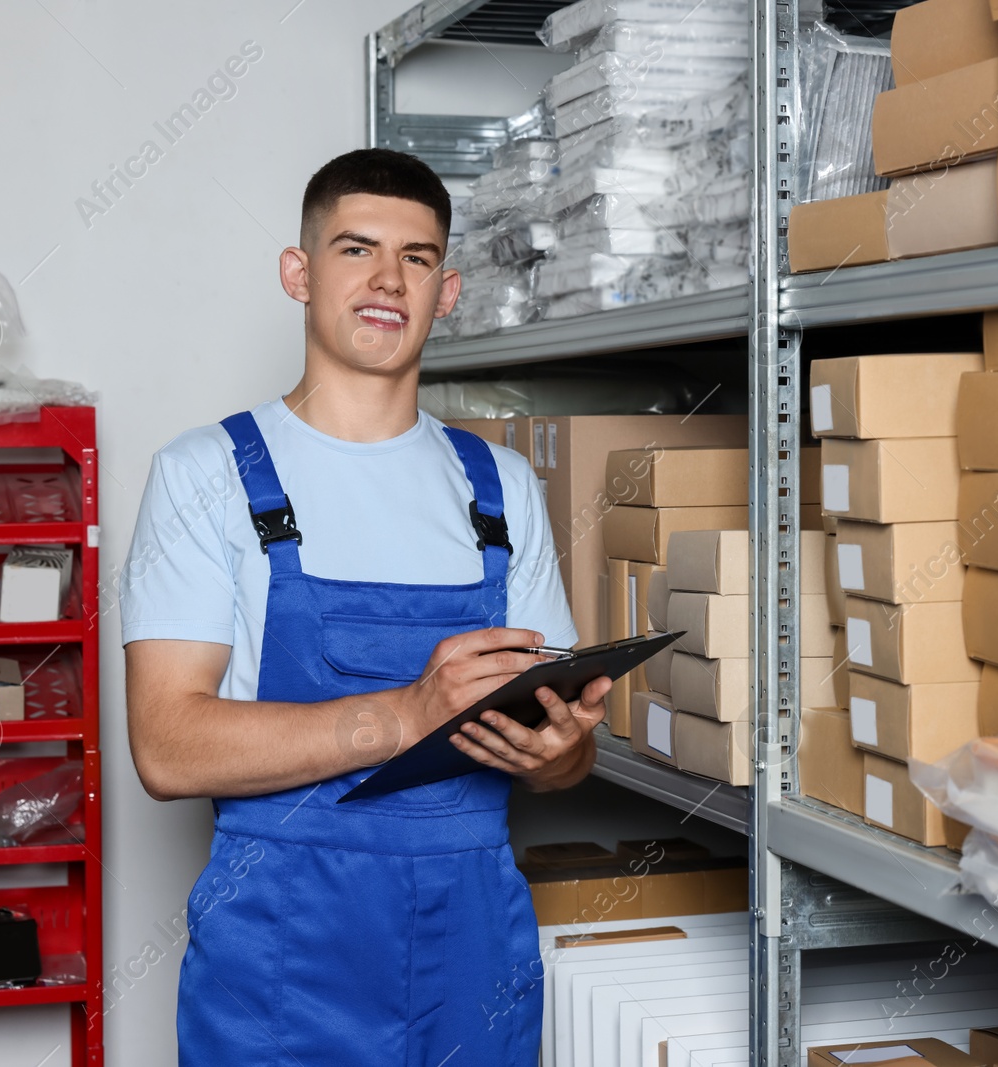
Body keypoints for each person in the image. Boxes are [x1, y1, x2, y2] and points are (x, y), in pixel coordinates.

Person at [121, 147, 608, 1065]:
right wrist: (410, 712)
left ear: (448, 290)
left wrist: (559, 753)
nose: (388, 279)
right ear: (298, 274)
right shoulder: (206, 475)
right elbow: (167, 745)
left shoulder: (498, 487)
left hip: (474, 941)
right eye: (356, 249)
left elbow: (561, 752)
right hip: (281, 951)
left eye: (417, 258)